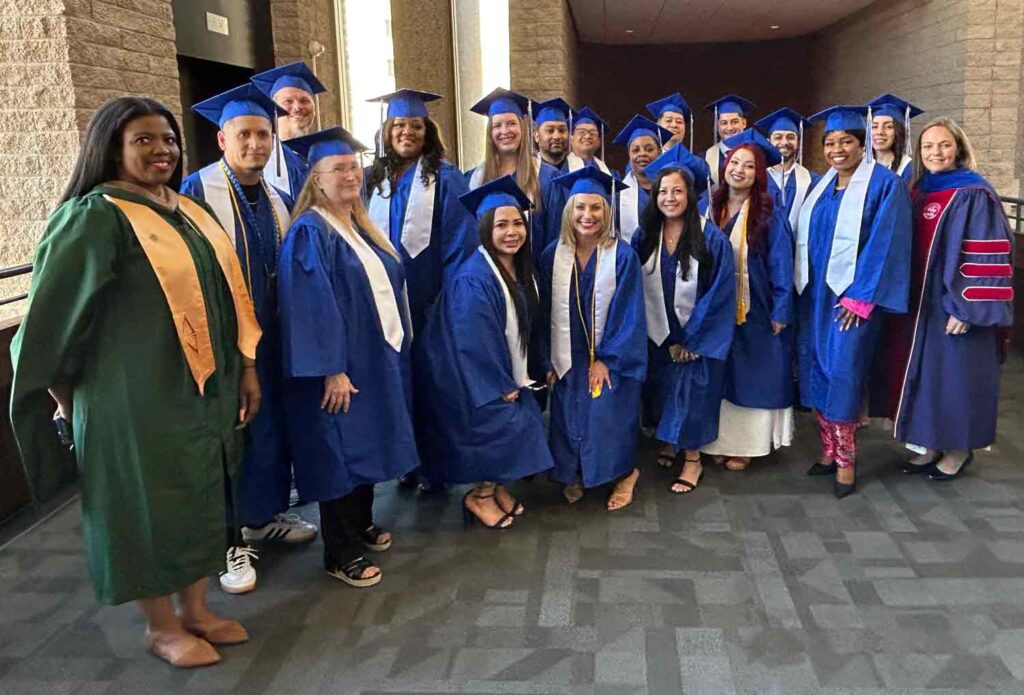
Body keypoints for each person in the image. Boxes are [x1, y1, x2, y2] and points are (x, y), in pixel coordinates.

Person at [11, 97, 260, 667]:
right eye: (143, 140)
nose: (162, 150)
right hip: (132, 397)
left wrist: (246, 366)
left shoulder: (190, 211)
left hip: (203, 389)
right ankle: (161, 626)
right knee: (145, 506)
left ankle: (196, 611)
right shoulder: (95, 217)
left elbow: (231, 297)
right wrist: (67, 400)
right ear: (111, 147)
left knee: (199, 495)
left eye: (168, 139)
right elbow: (50, 320)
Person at [181, 85, 317, 594]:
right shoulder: (196, 193)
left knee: (269, 429)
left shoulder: (280, 199)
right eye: (245, 134)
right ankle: (227, 540)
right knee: (229, 435)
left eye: (263, 133)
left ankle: (263, 516)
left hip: (272, 337)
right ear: (222, 139)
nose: (256, 143)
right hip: (221, 340)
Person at [278, 127, 418, 587]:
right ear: (316, 178)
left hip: (372, 358)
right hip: (339, 366)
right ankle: (339, 551)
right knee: (338, 450)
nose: (350, 174)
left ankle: (359, 523)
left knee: (366, 441)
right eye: (338, 168)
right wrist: (330, 369)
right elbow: (309, 304)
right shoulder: (309, 232)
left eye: (354, 166)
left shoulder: (358, 225)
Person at [415, 175, 554, 528]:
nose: (512, 232)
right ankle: (479, 495)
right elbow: (472, 339)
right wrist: (500, 384)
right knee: (512, 425)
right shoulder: (474, 277)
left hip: (498, 372)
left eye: (518, 224)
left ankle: (495, 489)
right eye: (501, 225)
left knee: (524, 421)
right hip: (469, 379)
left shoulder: (520, 269)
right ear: (484, 230)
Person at [364, 88, 478, 490]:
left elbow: (461, 243)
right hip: (382, 305)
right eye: (399, 125)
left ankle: (436, 466)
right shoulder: (372, 178)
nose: (406, 132)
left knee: (432, 384)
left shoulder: (446, 177)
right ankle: (405, 460)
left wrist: (447, 302)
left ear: (427, 131)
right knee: (394, 383)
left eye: (415, 125)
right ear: (387, 130)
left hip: (429, 303)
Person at [794, 106, 911, 498]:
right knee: (818, 372)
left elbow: (887, 244)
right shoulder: (821, 186)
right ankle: (828, 450)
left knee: (843, 374)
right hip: (816, 297)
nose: (837, 149)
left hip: (852, 302)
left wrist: (861, 298)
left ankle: (846, 462)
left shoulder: (884, 185)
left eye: (846, 141)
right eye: (830, 143)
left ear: (862, 146)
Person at [888, 118, 1014, 480]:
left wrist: (967, 307)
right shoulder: (920, 189)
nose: (935, 153)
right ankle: (929, 444)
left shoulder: (974, 192)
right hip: (921, 305)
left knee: (956, 379)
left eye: (943, 145)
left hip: (954, 306)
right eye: (928, 146)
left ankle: (959, 450)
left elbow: (987, 256)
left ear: (958, 147)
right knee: (928, 377)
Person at [539, 167, 647, 509]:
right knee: (568, 415)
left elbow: (630, 314)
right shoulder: (551, 256)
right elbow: (542, 315)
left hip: (611, 357)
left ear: (608, 211)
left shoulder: (624, 256)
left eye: (596, 207)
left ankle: (624, 473)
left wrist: (606, 359)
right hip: (566, 355)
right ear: (569, 211)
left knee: (608, 415)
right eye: (580, 207)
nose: (588, 215)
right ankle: (575, 472)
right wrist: (547, 358)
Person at [631, 147, 736, 494]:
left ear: (690, 195)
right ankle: (669, 439)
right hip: (658, 332)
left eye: (677, 191)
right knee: (662, 388)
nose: (669, 198)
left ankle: (693, 460)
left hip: (694, 335)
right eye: (663, 191)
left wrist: (693, 341)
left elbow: (719, 294)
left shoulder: (711, 239)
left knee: (691, 392)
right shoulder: (644, 236)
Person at [701, 129, 795, 471]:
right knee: (720, 373)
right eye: (734, 162)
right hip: (716, 308)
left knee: (754, 373)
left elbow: (781, 264)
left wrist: (781, 308)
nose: (739, 170)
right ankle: (718, 441)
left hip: (755, 308)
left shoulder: (768, 213)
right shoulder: (709, 206)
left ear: (759, 175)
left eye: (749, 166)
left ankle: (747, 446)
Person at [465, 87, 559, 259]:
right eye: (497, 125)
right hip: (489, 277)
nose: (505, 131)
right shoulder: (473, 179)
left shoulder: (547, 178)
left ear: (522, 127)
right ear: (490, 133)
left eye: (511, 123)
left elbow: (554, 236)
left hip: (535, 277)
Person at [250, 61, 326, 199]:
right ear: (274, 110)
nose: (297, 107)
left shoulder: (320, 156)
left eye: (305, 101)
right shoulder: (262, 155)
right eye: (288, 101)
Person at [754, 107, 820, 231]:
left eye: (790, 137)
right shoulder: (755, 178)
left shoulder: (813, 182)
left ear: (798, 142)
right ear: (768, 142)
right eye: (778, 137)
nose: (784, 142)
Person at [612, 115, 673, 242]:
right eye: (635, 150)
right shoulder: (617, 196)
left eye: (649, 149)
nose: (642, 154)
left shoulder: (674, 189)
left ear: (659, 152)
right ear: (629, 155)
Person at [867, 93, 923, 186]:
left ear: (898, 131)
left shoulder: (908, 168)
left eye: (888, 126)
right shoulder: (862, 164)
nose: (879, 132)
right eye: (874, 126)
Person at [704, 94, 755, 189]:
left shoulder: (756, 153)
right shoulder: (706, 157)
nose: (729, 128)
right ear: (717, 126)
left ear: (744, 123)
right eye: (724, 123)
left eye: (735, 122)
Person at [533, 97, 573, 171]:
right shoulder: (527, 171)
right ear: (537, 136)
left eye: (562, 130)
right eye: (550, 130)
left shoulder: (580, 167)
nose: (556, 136)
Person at [568, 106, 612, 174]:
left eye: (593, 133)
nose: (587, 136)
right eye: (582, 132)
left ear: (599, 141)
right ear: (571, 139)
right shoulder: (560, 169)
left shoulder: (612, 175)